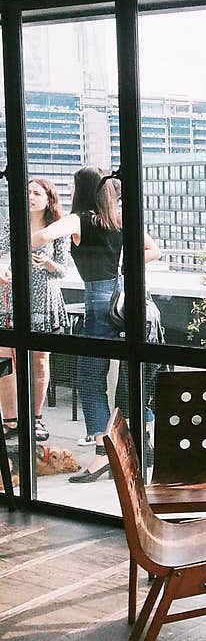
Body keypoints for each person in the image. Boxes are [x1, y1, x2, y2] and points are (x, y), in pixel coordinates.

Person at [31, 167, 161, 482]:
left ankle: (104, 454)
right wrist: (121, 261)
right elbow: (154, 251)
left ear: (81, 190)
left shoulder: (81, 219)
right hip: (128, 302)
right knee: (134, 377)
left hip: (100, 304)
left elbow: (39, 237)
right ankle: (141, 440)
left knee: (89, 379)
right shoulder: (120, 220)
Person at [0, 177, 71, 444]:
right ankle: (9, 419)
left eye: (36, 193)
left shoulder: (58, 228)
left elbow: (63, 269)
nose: (30, 197)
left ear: (48, 199)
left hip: (44, 300)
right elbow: (2, 254)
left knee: (39, 360)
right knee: (6, 359)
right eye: (27, 191)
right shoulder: (12, 224)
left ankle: (35, 418)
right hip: (9, 297)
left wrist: (48, 263)